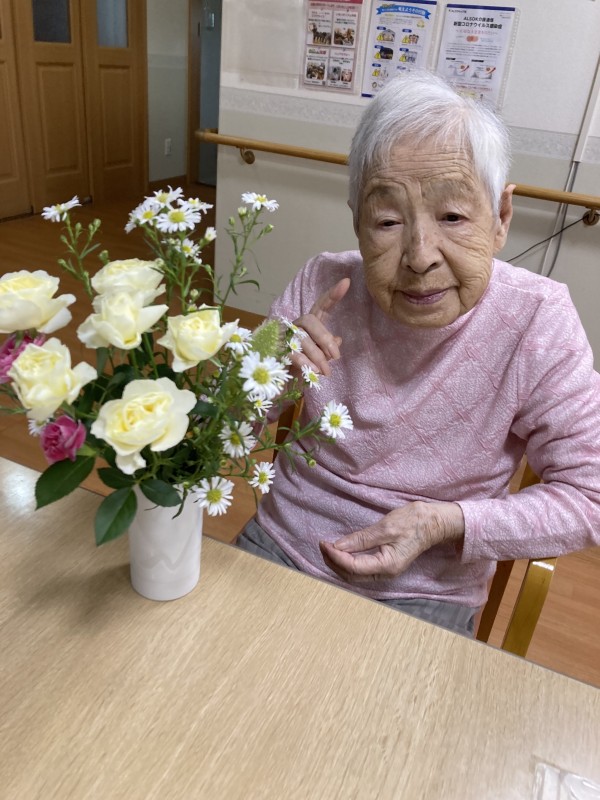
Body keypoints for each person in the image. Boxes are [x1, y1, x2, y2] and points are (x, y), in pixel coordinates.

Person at [236, 71, 600, 635]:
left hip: (427, 590)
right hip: (281, 546)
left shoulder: (537, 319)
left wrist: (444, 523)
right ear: (357, 221)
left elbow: (590, 496)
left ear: (501, 217)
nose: (420, 255)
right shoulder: (322, 283)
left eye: (453, 217)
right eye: (387, 221)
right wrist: (264, 375)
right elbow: (219, 427)